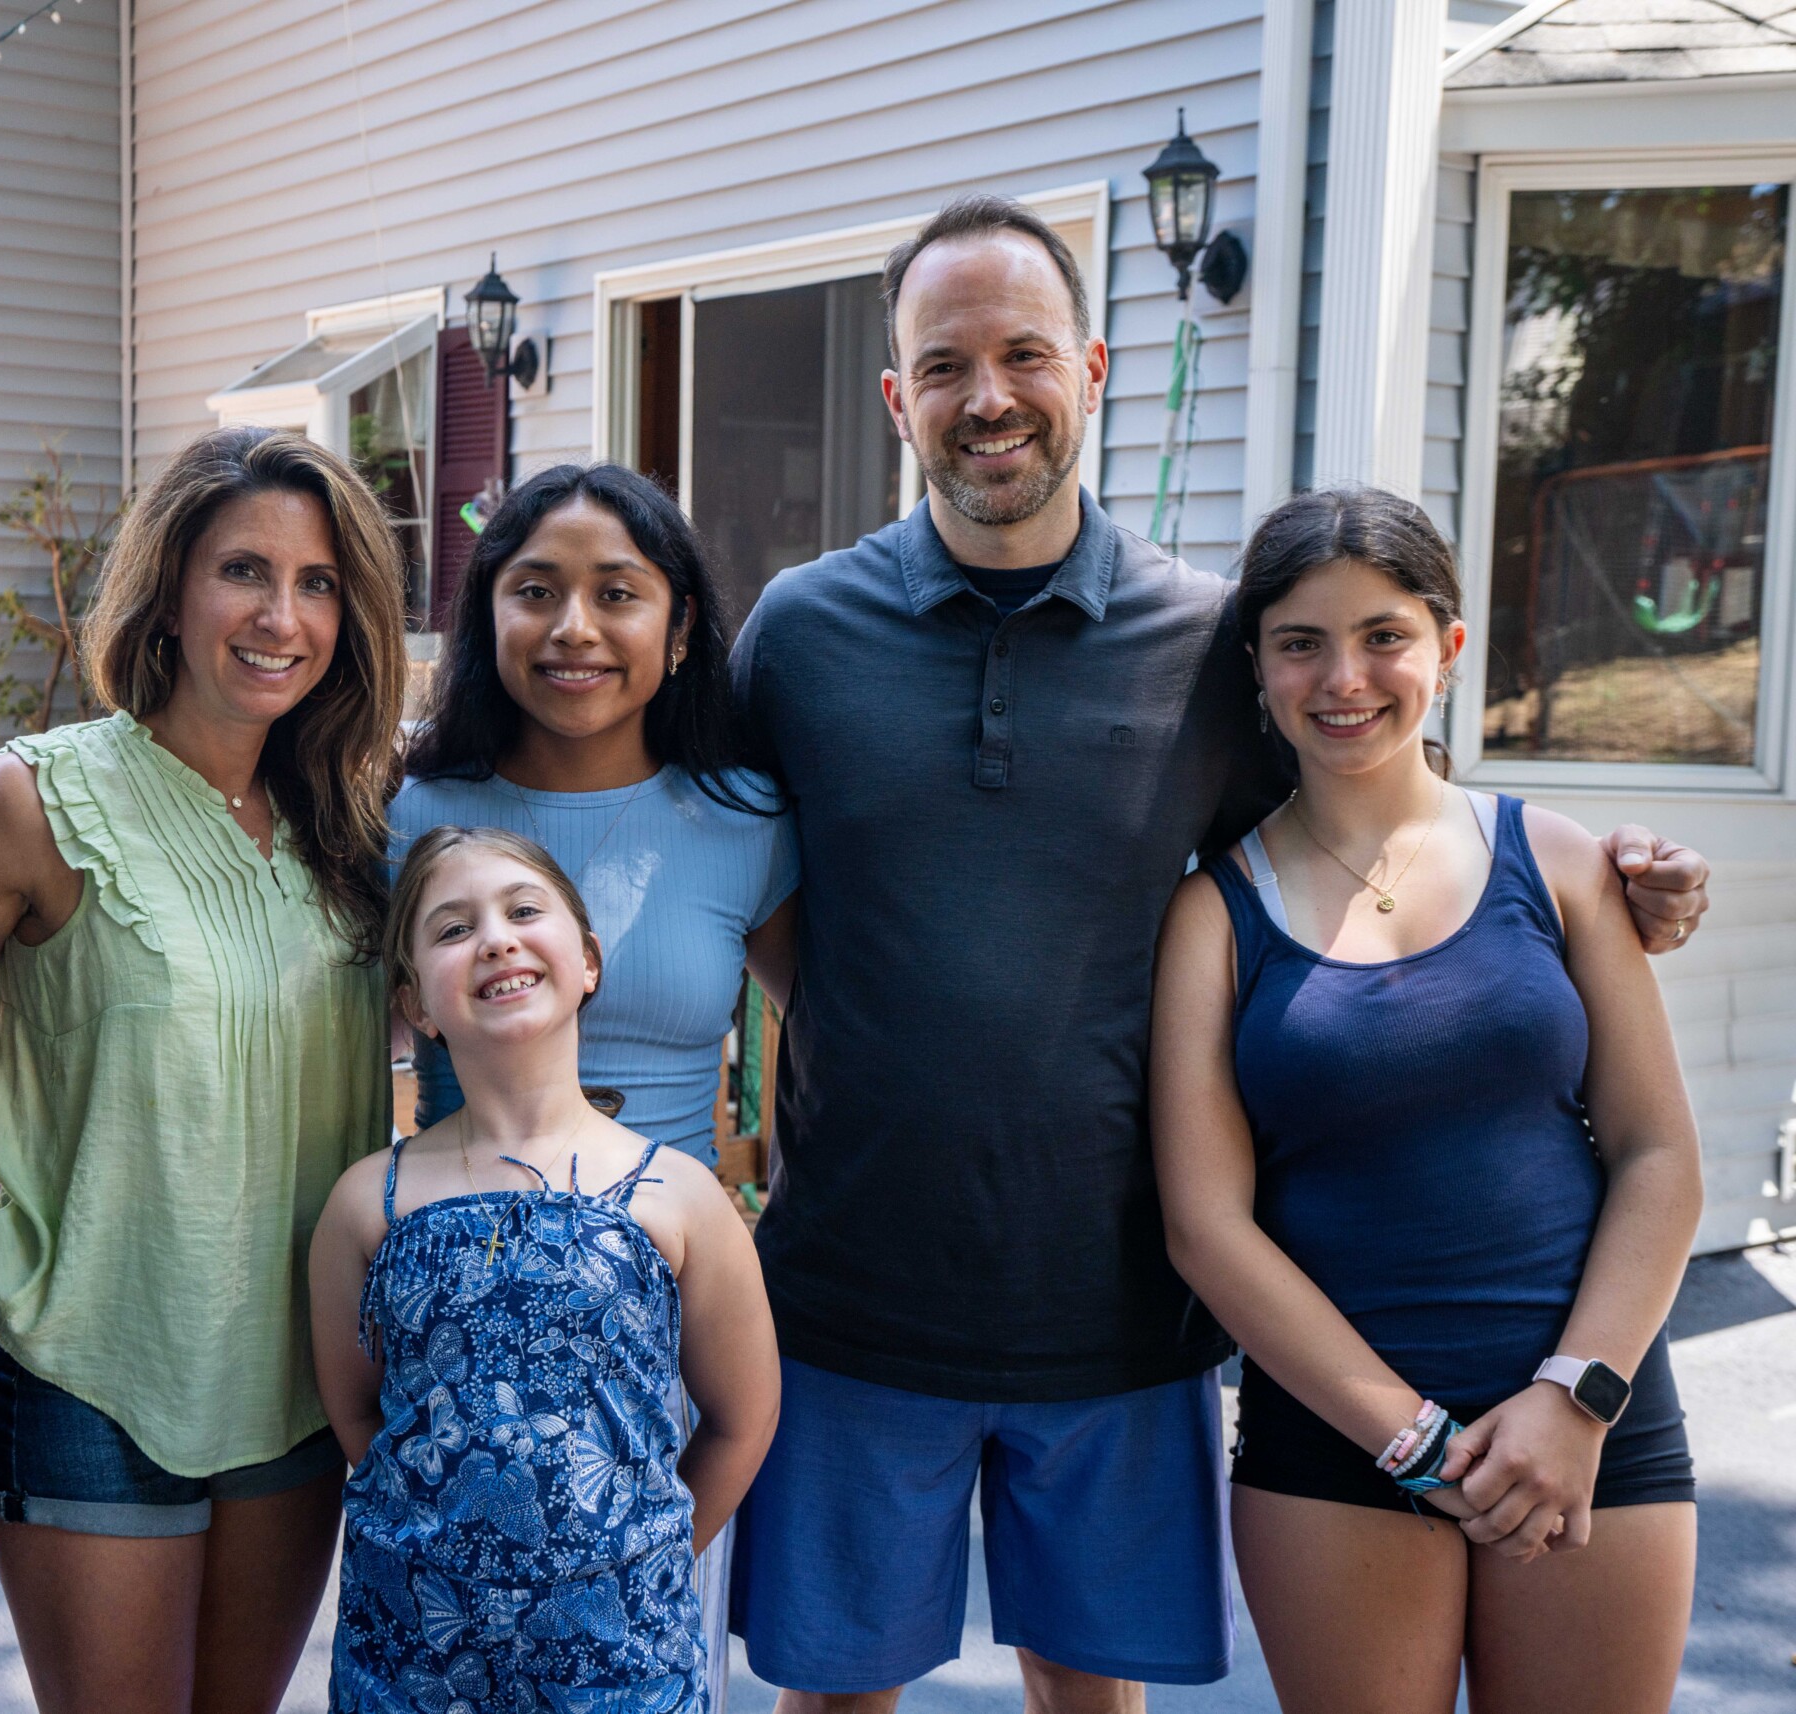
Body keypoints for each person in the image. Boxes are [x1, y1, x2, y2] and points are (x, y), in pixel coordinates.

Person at [724, 193, 1714, 1713]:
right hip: (854, 1296)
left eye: (1024, 354)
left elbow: (1370, 815)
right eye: (944, 364)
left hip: (1120, 1315)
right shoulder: (799, 632)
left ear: (1093, 368)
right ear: (895, 396)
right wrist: (871, 1019)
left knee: (1090, 1695)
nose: (988, 396)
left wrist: (1602, 875)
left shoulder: (1209, 644)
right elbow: (727, 869)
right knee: (833, 1694)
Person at [1150, 487, 1700, 1714]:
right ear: (1258, 669)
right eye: (1301, 641)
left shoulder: (1559, 861)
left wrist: (1575, 1400)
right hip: (1339, 1446)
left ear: (1447, 648)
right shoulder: (1213, 914)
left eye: (1383, 635)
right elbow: (1206, 1226)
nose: (1344, 677)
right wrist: (1414, 1443)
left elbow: (1659, 1153)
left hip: (1595, 1424)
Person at [0, 425, 406, 1714]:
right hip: (93, 1359)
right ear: (169, 589)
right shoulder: (34, 800)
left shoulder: (355, 825)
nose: (281, 617)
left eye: (318, 584)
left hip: (298, 1370)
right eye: (243, 571)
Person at [392, 462, 798, 1709]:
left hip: (663, 1330)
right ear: (487, 616)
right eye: (536, 591)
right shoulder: (415, 812)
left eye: (617, 593)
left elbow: (825, 1033)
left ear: (679, 629)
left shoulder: (744, 817)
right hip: (462, 1326)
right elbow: (374, 1046)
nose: (574, 627)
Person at [310, 826, 780, 1714]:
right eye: (454, 929)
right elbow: (357, 1415)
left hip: (623, 1660)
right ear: (415, 1003)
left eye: (524, 911)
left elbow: (744, 1417)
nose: (496, 939)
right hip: (410, 1652)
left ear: (588, 961)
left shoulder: (678, 1196)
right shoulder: (370, 1202)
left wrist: (644, 1559)